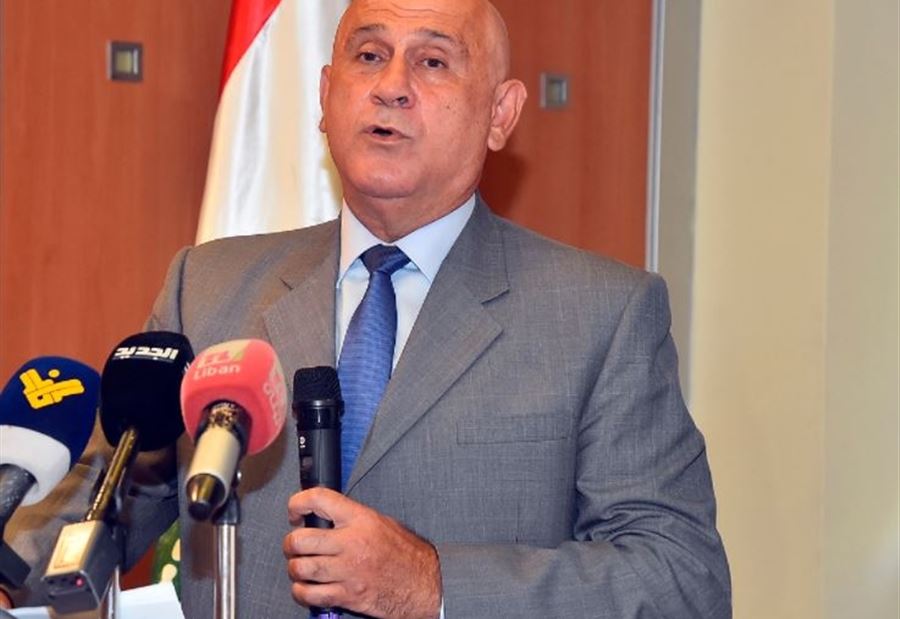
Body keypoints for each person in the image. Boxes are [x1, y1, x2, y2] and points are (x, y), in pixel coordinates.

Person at [2, 0, 731, 616]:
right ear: (326, 96)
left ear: (501, 113)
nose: (391, 87)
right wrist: (11, 558)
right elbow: (101, 505)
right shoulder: (210, 286)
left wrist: (433, 582)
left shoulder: (601, 314)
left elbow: (681, 578)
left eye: (433, 62)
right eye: (369, 56)